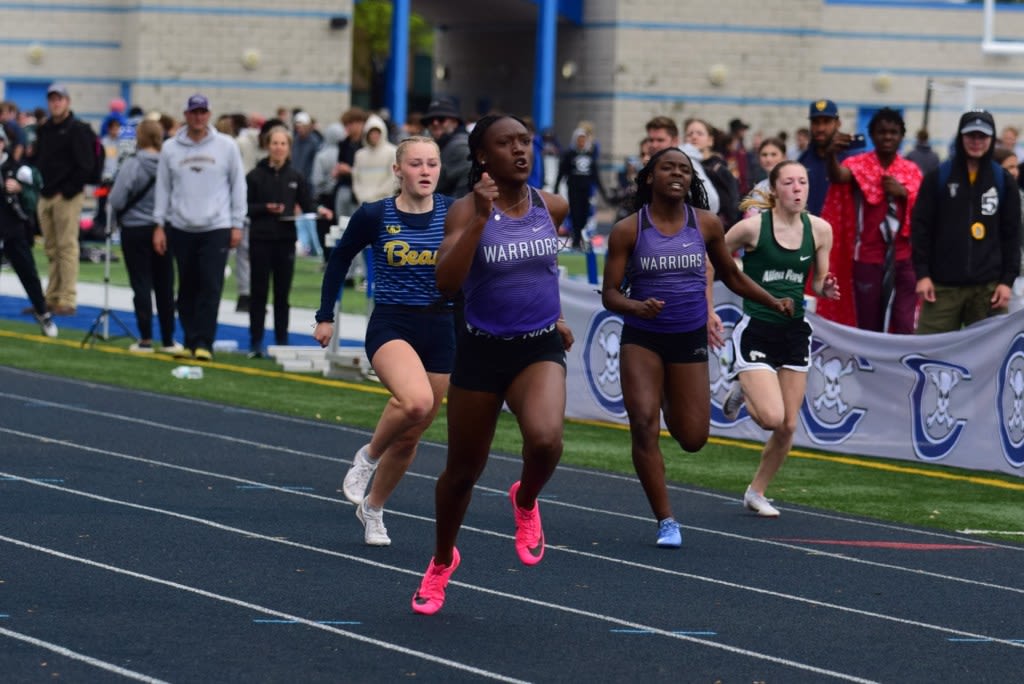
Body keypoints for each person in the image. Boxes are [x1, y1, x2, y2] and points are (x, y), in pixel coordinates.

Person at [410, 114, 572, 616]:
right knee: (461, 473)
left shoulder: (554, 205)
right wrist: (481, 218)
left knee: (545, 440)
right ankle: (441, 561)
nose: (520, 151)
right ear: (483, 157)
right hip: (481, 351)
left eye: (525, 141)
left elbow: (541, 270)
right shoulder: (464, 211)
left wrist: (559, 315)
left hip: (538, 347)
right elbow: (446, 282)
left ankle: (525, 500)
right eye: (507, 144)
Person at [601, 147, 794, 546]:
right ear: (650, 177)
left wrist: (772, 300)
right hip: (643, 338)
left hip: (687, 340)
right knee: (642, 424)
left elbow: (731, 277)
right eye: (667, 167)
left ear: (692, 180)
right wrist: (637, 306)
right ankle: (666, 520)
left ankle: (671, 393)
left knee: (693, 438)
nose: (677, 174)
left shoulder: (705, 225)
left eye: (685, 170)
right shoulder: (628, 230)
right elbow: (609, 295)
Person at [314, 136, 454, 546]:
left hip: (442, 326)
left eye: (432, 163)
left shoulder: (454, 212)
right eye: (416, 164)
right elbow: (339, 259)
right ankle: (368, 457)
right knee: (415, 402)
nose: (425, 171)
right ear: (398, 170)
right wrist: (326, 316)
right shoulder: (376, 214)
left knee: (412, 434)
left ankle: (373, 509)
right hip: (393, 323)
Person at [720, 160, 840, 517]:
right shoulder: (752, 229)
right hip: (757, 326)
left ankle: (756, 492)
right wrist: (737, 274)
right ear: (775, 190)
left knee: (788, 425)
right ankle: (744, 382)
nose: (798, 189)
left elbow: (817, 282)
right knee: (771, 417)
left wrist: (826, 287)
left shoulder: (819, 230)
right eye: (789, 182)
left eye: (802, 182)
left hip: (794, 331)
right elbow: (716, 253)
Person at [152, 94, 247, 361]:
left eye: (203, 112)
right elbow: (163, 189)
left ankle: (205, 341)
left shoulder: (226, 146)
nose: (198, 117)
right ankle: (190, 338)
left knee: (210, 285)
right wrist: (159, 225)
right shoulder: (171, 148)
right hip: (181, 225)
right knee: (186, 288)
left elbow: (238, 186)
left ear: (209, 115)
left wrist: (237, 224)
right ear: (186, 114)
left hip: (216, 225)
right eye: (194, 112)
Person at [911, 109, 1022, 334]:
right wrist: (922, 275)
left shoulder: (1003, 181)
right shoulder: (938, 177)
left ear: (991, 139)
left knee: (988, 357)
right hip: (942, 288)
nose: (976, 142)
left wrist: (1006, 282)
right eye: (971, 135)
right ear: (961, 136)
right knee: (928, 353)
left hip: (988, 290)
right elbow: (921, 228)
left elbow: (1013, 234)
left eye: (982, 136)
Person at [818, 107, 921, 333]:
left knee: (904, 321)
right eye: (882, 132)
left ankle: (899, 366)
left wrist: (904, 193)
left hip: (904, 258)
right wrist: (831, 155)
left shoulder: (911, 170)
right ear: (872, 135)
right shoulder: (858, 165)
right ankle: (869, 366)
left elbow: (924, 210)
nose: (887, 137)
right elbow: (838, 176)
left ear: (901, 136)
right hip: (868, 257)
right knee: (868, 322)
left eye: (893, 132)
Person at [245, 126, 331, 356]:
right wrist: (265, 208)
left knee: (282, 294)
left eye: (283, 144)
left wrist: (321, 210)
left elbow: (307, 203)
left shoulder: (295, 176)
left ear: (289, 148)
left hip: (285, 240)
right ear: (267, 145)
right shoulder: (255, 175)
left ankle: (281, 341)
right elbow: (245, 207)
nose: (279, 148)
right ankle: (255, 342)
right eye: (275, 143)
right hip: (260, 239)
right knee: (259, 293)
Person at [109, 119, 179, 354]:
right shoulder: (168, 165)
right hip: (163, 228)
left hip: (135, 229)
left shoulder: (133, 165)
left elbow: (117, 199)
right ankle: (169, 339)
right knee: (165, 284)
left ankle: (146, 338)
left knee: (141, 283)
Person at [34, 83, 96, 315]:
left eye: (59, 99)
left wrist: (68, 190)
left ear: (67, 102)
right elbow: (39, 158)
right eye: (52, 99)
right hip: (46, 194)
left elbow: (86, 165)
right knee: (50, 247)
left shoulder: (77, 129)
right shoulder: (45, 129)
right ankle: (51, 296)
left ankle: (67, 298)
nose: (56, 103)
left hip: (66, 196)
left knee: (67, 247)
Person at [0, 126, 58, 337]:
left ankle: (43, 313)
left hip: (13, 230)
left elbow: (34, 198)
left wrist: (20, 189)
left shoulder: (18, 169)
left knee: (28, 273)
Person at [644, 115, 721, 217]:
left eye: (660, 140)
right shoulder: (652, 164)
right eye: (651, 140)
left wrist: (688, 223)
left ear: (675, 141)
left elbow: (711, 201)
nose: (654, 145)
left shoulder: (686, 162)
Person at [554, 126, 608, 248]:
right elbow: (562, 172)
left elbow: (596, 175)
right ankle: (576, 238)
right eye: (579, 139)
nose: (581, 142)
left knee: (585, 213)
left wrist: (603, 192)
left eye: (583, 139)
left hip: (586, 190)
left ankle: (580, 234)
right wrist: (556, 187)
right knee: (575, 213)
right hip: (573, 189)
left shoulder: (590, 155)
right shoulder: (570, 155)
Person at [684, 118, 739, 228]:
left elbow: (733, 203)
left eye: (699, 133)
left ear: (710, 140)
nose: (694, 137)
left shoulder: (720, 169)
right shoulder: (682, 167)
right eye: (689, 134)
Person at [798, 99, 844, 216]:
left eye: (826, 122)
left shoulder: (850, 159)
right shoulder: (803, 160)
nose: (820, 128)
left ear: (838, 123)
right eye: (816, 122)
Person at [422, 98, 471, 199]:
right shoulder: (441, 144)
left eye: (441, 119)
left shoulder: (459, 147)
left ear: (455, 122)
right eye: (430, 121)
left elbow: (465, 190)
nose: (435, 123)